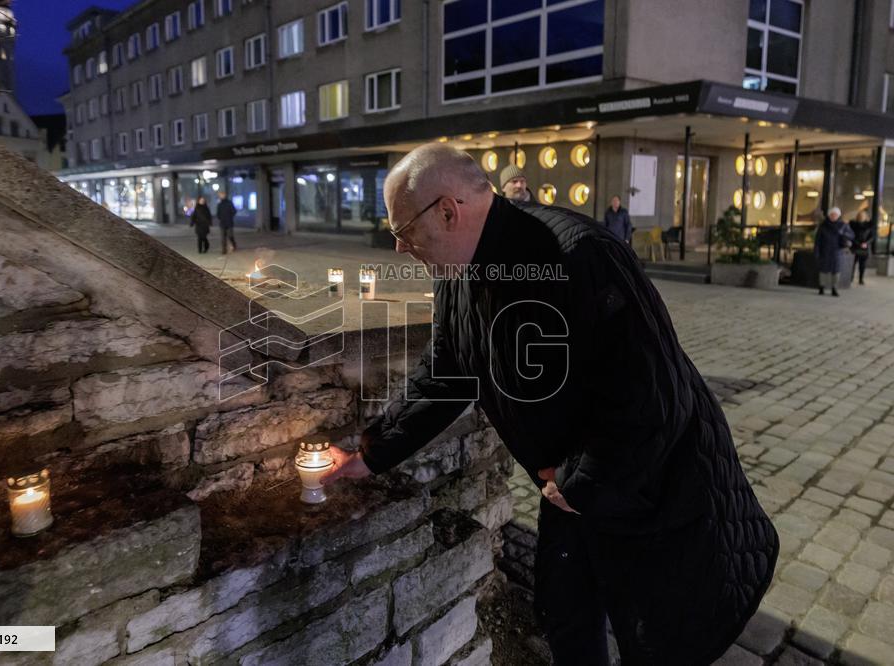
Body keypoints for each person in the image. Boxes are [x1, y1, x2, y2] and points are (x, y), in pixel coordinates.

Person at [321, 144, 778, 665]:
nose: (400, 248)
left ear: (448, 211)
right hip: (569, 489)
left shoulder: (580, 254)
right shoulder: (454, 272)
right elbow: (445, 376)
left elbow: (654, 399)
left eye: (402, 231)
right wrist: (371, 452)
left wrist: (578, 483)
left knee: (655, 636)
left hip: (656, 492)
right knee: (566, 614)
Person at [814, 207, 853, 296]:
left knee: (836, 270)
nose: (833, 216)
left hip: (837, 251)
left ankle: (834, 288)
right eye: (832, 214)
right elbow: (818, 239)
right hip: (825, 250)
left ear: (838, 216)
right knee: (823, 270)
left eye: (835, 215)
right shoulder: (823, 225)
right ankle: (821, 287)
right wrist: (817, 250)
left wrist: (845, 238)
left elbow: (851, 235)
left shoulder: (843, 225)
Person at [849, 210, 873, 285]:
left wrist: (866, 243)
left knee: (862, 265)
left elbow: (872, 236)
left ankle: (861, 279)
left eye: (863, 215)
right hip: (855, 246)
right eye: (860, 215)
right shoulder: (853, 224)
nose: (861, 217)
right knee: (852, 264)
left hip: (864, 248)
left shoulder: (869, 225)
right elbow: (850, 235)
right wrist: (858, 243)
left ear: (865, 217)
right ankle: (850, 277)